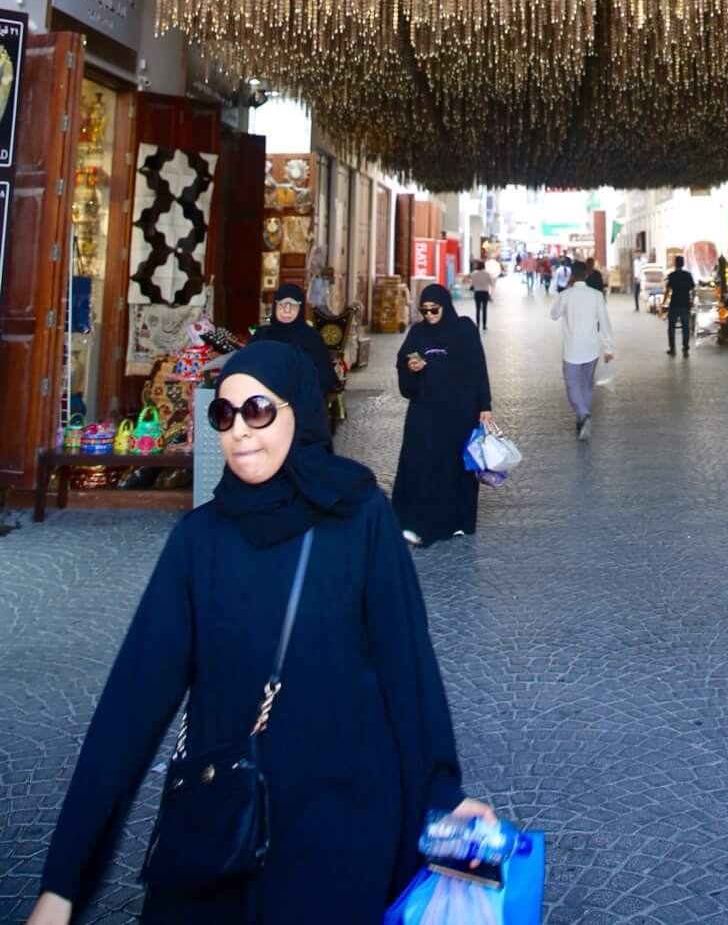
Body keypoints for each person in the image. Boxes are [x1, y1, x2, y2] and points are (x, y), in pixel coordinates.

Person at [24, 342, 494, 925]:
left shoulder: (360, 518)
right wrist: (64, 882)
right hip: (222, 829)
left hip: (343, 826)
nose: (240, 431)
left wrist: (444, 797)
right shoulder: (199, 541)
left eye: (259, 410)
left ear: (298, 411)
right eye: (223, 415)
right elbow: (131, 705)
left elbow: (409, 670)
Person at [392, 285, 492, 544]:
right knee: (420, 463)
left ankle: (458, 521)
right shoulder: (417, 333)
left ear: (445, 307)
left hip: (459, 412)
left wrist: (485, 406)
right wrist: (411, 368)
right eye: (423, 311)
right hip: (424, 412)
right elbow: (403, 367)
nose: (429, 315)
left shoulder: (465, 330)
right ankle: (418, 522)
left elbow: (478, 369)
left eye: (434, 310)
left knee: (457, 466)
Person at [550, 261, 613, 440]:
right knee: (586, 384)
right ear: (586, 275)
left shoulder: (566, 295)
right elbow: (605, 322)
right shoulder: (596, 295)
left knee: (572, 385)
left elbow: (553, 314)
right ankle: (581, 419)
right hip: (592, 348)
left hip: (572, 349)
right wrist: (608, 347)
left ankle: (583, 415)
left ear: (572, 276)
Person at [251, 281, 337, 409]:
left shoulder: (311, 338)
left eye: (293, 305)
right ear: (275, 307)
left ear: (300, 309)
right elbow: (248, 367)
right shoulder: (262, 335)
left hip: (301, 405)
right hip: (265, 403)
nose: (287, 311)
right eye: (282, 305)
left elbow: (323, 377)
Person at [664, 255, 695, 358]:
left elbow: (668, 290)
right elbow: (692, 288)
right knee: (686, 327)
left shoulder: (672, 275)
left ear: (675, 264)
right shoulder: (688, 275)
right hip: (685, 304)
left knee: (671, 328)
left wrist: (664, 302)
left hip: (674, 304)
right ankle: (685, 348)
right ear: (683, 263)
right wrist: (691, 300)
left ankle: (672, 348)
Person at [469, 257, 494, 331]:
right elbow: (491, 284)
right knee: (484, 310)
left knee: (477, 309)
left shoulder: (474, 274)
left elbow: (472, 284)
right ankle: (484, 325)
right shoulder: (487, 274)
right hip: (485, 293)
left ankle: (477, 324)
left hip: (477, 293)